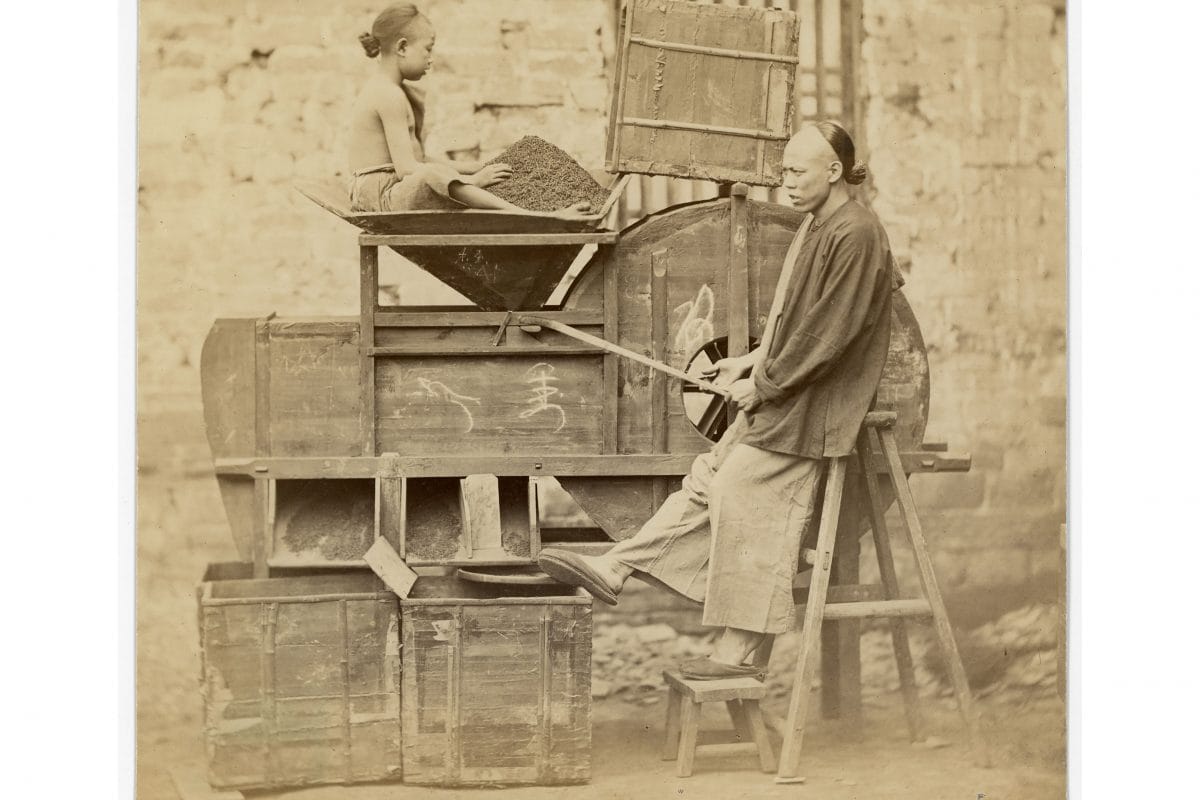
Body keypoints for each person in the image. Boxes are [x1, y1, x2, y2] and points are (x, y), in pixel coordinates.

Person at [537, 120, 902, 680]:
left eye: (798, 171)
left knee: (740, 493)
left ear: (834, 172)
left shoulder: (855, 233)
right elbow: (797, 321)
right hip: (792, 389)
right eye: (783, 171)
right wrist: (752, 362)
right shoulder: (819, 225)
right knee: (707, 479)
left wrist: (765, 384)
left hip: (819, 405)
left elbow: (831, 334)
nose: (787, 182)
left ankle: (740, 648)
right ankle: (616, 568)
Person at [346, 4, 589, 218]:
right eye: (428, 49)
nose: (431, 59)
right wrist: (473, 181)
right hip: (378, 197)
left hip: (391, 189)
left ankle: (535, 210)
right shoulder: (387, 95)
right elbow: (409, 170)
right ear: (402, 48)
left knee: (449, 175)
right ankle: (534, 216)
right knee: (434, 177)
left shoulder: (398, 92)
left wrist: (477, 167)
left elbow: (420, 160)